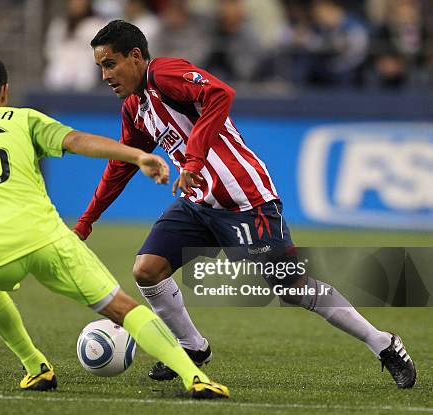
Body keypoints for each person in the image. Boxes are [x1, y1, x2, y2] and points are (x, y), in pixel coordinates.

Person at [73, 20, 416, 388]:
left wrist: (192, 161)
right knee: (147, 270)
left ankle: (383, 343)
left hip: (247, 200)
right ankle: (192, 347)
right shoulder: (134, 109)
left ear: (136, 56)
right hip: (199, 203)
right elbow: (123, 163)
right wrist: (86, 221)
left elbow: (219, 93)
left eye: (110, 64)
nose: (105, 75)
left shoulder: (164, 73)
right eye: (100, 68)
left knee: (292, 286)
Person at [0, 53, 229, 399]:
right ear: (4, 91)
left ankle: (35, 368)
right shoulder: (22, 119)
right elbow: (77, 141)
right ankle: (194, 377)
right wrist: (136, 155)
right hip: (47, 239)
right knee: (124, 309)